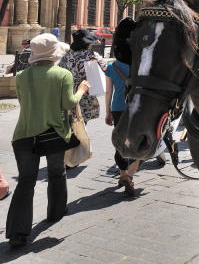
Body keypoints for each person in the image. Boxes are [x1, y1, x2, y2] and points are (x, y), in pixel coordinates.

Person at [5, 33, 90, 248]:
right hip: (54, 134)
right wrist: (81, 91)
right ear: (54, 53)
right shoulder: (63, 75)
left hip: (24, 134)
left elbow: (23, 102)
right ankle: (56, 212)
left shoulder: (21, 76)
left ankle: (17, 233)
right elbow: (68, 103)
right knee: (56, 172)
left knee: (26, 181)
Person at [104, 18, 141, 196]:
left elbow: (108, 93)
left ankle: (123, 174)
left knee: (120, 142)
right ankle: (130, 176)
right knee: (138, 144)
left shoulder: (112, 67)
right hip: (138, 109)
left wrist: (108, 112)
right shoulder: (141, 65)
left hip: (118, 108)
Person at [58, 29, 105, 124]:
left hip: (68, 92)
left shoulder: (66, 55)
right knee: (82, 122)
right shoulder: (91, 55)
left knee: (70, 121)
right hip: (86, 91)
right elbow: (104, 67)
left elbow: (60, 70)